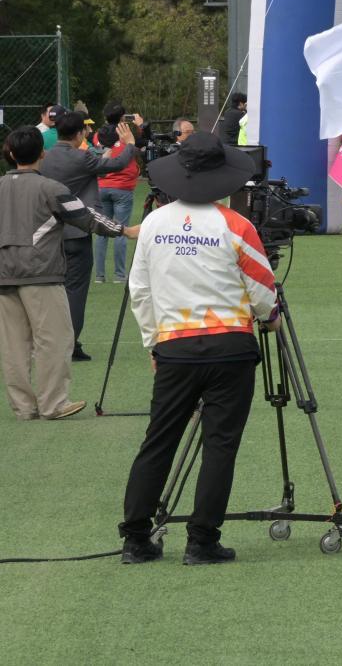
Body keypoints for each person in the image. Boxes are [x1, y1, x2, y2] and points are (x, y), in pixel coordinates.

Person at [117, 131, 278, 565]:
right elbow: (263, 291)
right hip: (230, 347)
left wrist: (154, 342)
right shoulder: (236, 225)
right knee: (220, 444)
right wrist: (271, 317)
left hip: (175, 348)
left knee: (159, 440)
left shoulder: (153, 224)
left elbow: (140, 292)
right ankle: (202, 540)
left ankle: (134, 537)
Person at [0, 126, 132, 422]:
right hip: (41, 274)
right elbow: (85, 217)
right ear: (42, 154)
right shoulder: (50, 188)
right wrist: (123, 229)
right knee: (55, 339)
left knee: (14, 344)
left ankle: (23, 407)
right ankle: (53, 404)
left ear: (10, 154)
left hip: (5, 275)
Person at [39, 110, 137, 360]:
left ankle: (48, 342)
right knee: (75, 291)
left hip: (48, 234)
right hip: (77, 231)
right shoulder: (81, 158)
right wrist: (129, 144)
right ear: (80, 133)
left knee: (50, 290)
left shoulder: (45, 158)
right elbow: (115, 164)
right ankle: (70, 345)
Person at [94, 102, 144, 284]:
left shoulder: (99, 134)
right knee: (121, 230)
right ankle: (119, 275)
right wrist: (140, 125)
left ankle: (99, 276)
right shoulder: (127, 135)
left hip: (102, 186)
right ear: (123, 117)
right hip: (122, 187)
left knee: (101, 230)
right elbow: (140, 147)